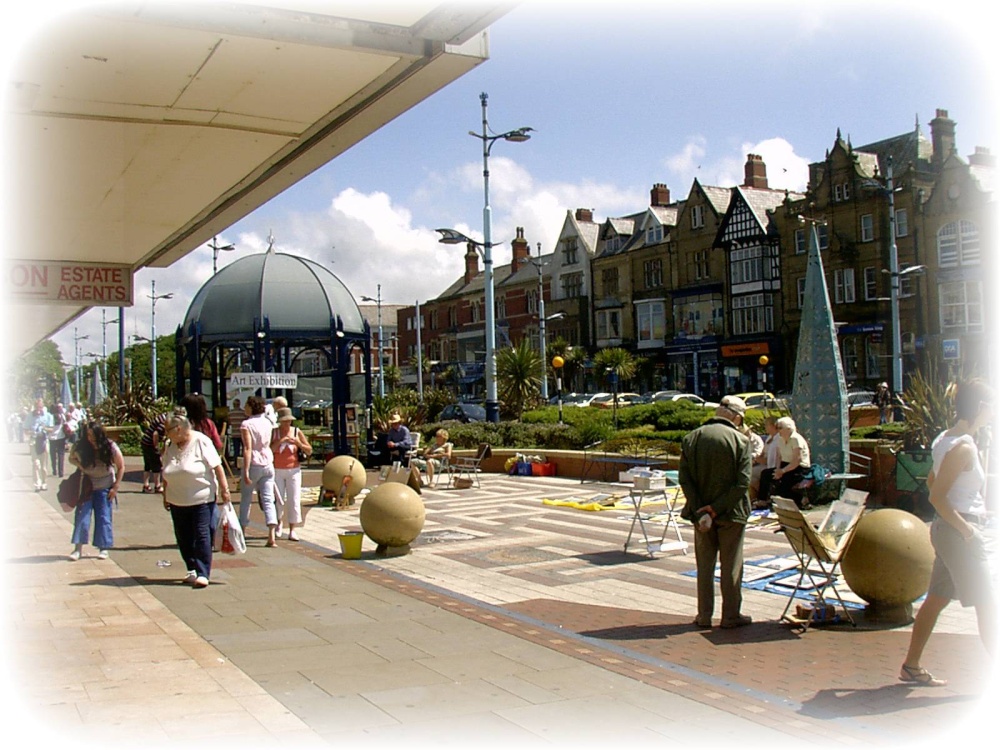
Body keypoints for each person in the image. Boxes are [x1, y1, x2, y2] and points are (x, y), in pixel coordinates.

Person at [900, 379, 996, 687]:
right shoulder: (964, 447)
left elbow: (932, 481)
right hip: (958, 531)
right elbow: (936, 496)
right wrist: (968, 529)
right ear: (981, 408)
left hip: (949, 528)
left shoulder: (946, 439)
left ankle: (911, 665)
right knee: (987, 602)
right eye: (992, 406)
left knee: (938, 598)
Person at [679, 395, 754, 629]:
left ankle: (704, 615)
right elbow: (742, 483)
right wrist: (716, 508)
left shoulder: (692, 438)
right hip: (732, 514)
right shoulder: (740, 441)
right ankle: (731, 615)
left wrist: (702, 508)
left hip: (699, 514)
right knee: (731, 565)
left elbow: (685, 479)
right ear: (737, 417)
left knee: (705, 566)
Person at [161, 410, 231, 588]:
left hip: (202, 498)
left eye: (167, 430)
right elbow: (166, 471)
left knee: (201, 534)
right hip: (177, 499)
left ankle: (202, 572)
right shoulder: (171, 445)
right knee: (183, 536)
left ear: (178, 429)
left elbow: (217, 467)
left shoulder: (200, 441)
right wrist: (165, 495)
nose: (165, 434)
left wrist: (225, 490)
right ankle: (191, 568)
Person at [67, 422, 124, 561]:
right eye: (88, 435)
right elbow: (71, 458)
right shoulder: (81, 446)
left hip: (105, 486)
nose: (90, 439)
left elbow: (121, 466)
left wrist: (115, 487)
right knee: (82, 516)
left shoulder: (110, 446)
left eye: (93, 435)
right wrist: (81, 465)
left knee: (104, 517)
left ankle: (103, 548)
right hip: (87, 486)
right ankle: (77, 548)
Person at [239, 395, 279, 546]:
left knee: (246, 498)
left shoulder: (246, 424)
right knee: (268, 499)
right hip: (268, 461)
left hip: (254, 462)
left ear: (251, 407)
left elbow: (248, 448)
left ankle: (242, 530)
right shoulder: (268, 422)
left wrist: (246, 469)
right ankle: (271, 534)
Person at [270, 407, 311, 541]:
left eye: (289, 421)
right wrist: (281, 441)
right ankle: (278, 523)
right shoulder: (274, 432)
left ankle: (293, 528)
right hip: (277, 469)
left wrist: (298, 443)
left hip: (293, 469)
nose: (287, 424)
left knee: (294, 499)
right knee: (278, 499)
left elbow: (309, 450)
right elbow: (269, 450)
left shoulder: (296, 432)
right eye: (284, 421)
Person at [770, 416, 812, 508]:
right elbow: (779, 457)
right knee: (766, 474)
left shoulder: (796, 439)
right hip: (785, 465)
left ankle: (794, 504)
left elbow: (797, 461)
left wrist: (782, 471)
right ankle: (763, 501)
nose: (778, 430)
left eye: (780, 428)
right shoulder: (780, 439)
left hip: (799, 467)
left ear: (788, 428)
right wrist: (777, 470)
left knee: (785, 482)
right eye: (777, 428)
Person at [751, 416, 781, 507]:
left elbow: (774, 459)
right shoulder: (769, 438)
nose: (765, 427)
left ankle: (763, 498)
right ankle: (761, 497)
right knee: (751, 477)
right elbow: (763, 452)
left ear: (773, 426)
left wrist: (759, 459)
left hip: (771, 465)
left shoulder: (779, 439)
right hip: (764, 463)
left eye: (767, 425)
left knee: (752, 473)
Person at [27, 398, 53, 491]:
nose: (38, 409)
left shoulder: (48, 416)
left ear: (43, 406)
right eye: (37, 407)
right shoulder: (30, 416)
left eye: (40, 407)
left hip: (44, 441)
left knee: (44, 466)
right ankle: (37, 483)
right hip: (34, 441)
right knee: (35, 464)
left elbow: (51, 429)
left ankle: (44, 482)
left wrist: (45, 428)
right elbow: (25, 430)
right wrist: (32, 432)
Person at [139, 411, 168, 493]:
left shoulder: (162, 416)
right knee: (157, 466)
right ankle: (157, 486)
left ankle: (146, 485)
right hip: (150, 444)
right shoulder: (163, 423)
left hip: (145, 442)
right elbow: (155, 434)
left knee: (147, 465)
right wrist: (157, 448)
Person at [47, 402, 70, 479]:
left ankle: (54, 470)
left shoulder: (49, 417)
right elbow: (65, 424)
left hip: (52, 438)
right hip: (61, 437)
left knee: (52, 454)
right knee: (61, 455)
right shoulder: (62, 416)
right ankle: (61, 472)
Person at [227, 398, 246, 462]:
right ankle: (243, 462)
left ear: (233, 405)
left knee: (236, 450)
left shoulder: (230, 413)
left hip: (234, 434)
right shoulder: (243, 413)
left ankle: (236, 463)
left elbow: (229, 422)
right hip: (242, 434)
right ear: (239, 404)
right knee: (244, 449)